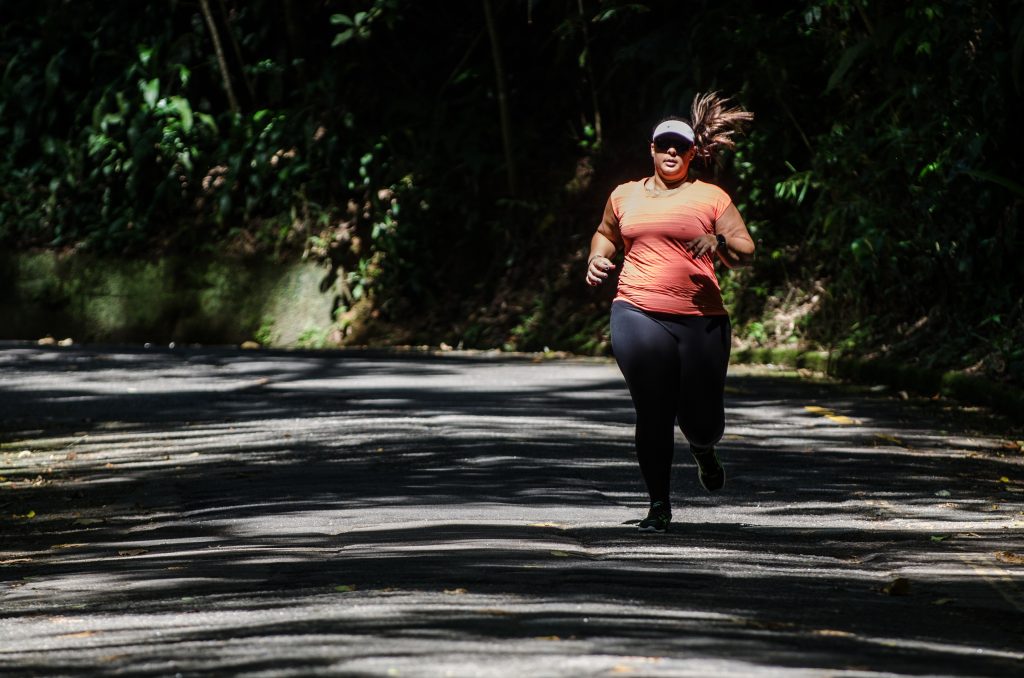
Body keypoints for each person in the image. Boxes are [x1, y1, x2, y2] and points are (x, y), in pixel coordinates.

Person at [585, 92, 756, 533]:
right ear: (653, 150)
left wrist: (719, 244)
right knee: (654, 407)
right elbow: (605, 233)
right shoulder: (623, 196)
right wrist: (596, 258)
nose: (672, 153)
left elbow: (746, 250)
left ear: (693, 153)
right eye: (665, 145)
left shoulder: (711, 198)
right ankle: (659, 504)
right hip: (637, 310)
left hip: (702, 319)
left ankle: (702, 449)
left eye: (681, 147)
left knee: (702, 421)